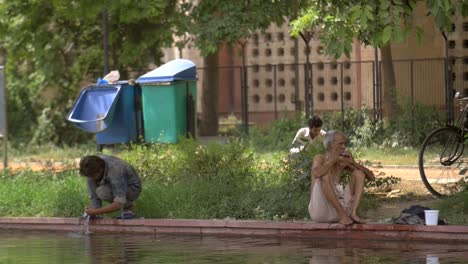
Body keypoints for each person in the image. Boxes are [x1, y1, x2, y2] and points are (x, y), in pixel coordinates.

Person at [309, 130, 375, 225]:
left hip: (339, 209)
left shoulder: (342, 161)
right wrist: (333, 160)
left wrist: (353, 163)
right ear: (330, 145)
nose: (344, 147)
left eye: (345, 144)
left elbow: (371, 178)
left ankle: (353, 213)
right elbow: (316, 173)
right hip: (320, 211)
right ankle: (342, 216)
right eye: (340, 144)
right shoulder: (320, 158)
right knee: (324, 175)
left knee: (359, 174)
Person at [79, 155, 142, 219]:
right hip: (111, 181)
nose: (91, 178)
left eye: (93, 176)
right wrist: (93, 213)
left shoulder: (116, 170)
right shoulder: (92, 168)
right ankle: (98, 216)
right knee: (94, 184)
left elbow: (119, 203)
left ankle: (128, 208)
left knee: (102, 192)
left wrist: (95, 211)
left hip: (132, 187)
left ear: (100, 169)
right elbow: (94, 196)